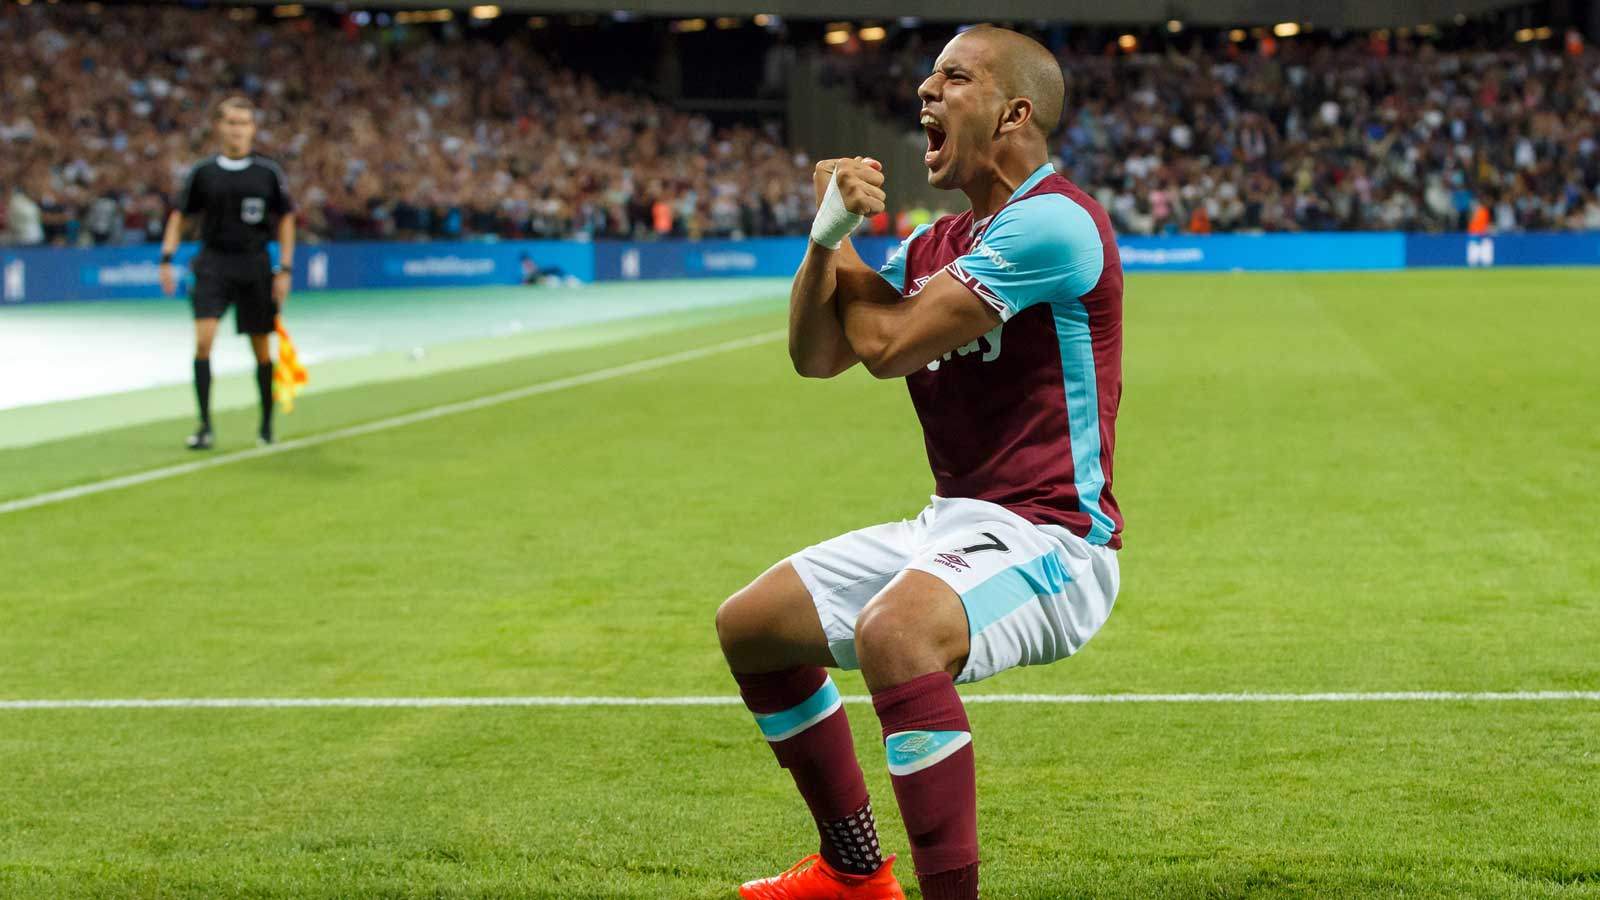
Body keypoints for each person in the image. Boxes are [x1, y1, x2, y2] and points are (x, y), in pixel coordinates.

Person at [716, 26, 1124, 900]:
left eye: (954, 78)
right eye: (929, 76)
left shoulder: (1055, 222)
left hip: (1055, 541)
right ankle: (853, 872)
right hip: (954, 521)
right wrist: (827, 236)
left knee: (897, 636)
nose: (924, 93)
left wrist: (850, 241)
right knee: (751, 625)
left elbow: (889, 344)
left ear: (1014, 112)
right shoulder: (942, 243)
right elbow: (818, 354)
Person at [158, 96, 295, 449]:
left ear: (253, 128)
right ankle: (204, 425)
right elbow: (181, 215)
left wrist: (285, 268)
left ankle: (266, 424)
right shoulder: (204, 173)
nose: (237, 129)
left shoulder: (268, 173)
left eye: (243, 123)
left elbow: (287, 218)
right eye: (231, 122)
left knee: (261, 349)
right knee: (203, 342)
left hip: (254, 265)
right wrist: (167, 258)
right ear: (219, 126)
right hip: (213, 264)